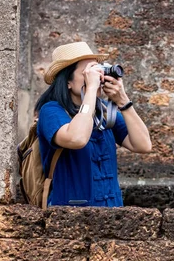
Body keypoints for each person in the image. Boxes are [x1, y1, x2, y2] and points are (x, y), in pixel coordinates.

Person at [35, 41, 151, 207]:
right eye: (87, 72)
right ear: (67, 81)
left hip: (114, 213)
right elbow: (77, 138)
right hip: (70, 217)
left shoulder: (103, 113)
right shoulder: (51, 111)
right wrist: (90, 90)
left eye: (96, 70)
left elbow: (143, 145)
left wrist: (123, 101)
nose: (96, 77)